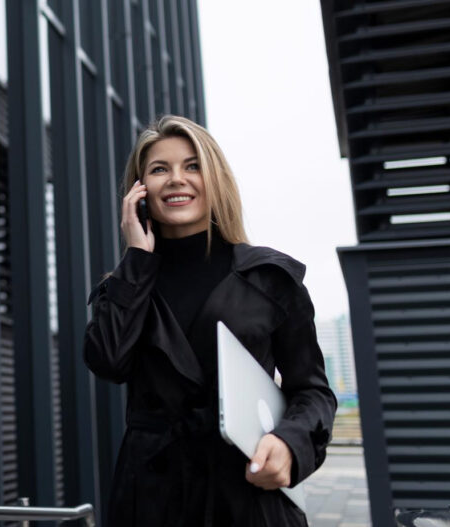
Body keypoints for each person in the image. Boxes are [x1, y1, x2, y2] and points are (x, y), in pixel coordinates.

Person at [83, 115, 336, 526]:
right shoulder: (126, 285)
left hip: (247, 493)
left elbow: (313, 392)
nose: (176, 179)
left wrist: (289, 444)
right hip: (153, 500)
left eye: (192, 165)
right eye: (159, 169)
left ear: (215, 178)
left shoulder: (269, 276)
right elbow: (109, 362)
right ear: (140, 191)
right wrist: (137, 259)